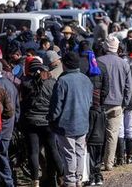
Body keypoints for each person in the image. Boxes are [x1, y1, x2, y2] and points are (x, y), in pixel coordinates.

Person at [48, 52, 93, 187]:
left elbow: (56, 107)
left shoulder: (62, 81)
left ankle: (70, 181)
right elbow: (89, 101)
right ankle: (79, 179)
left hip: (65, 124)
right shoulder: (86, 79)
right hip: (83, 122)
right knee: (79, 151)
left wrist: (51, 119)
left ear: (65, 64)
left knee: (68, 153)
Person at [19, 60, 64, 187]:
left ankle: (35, 181)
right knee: (53, 150)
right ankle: (62, 177)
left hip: (31, 122)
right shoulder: (52, 83)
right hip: (48, 122)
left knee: (33, 152)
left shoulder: (25, 84)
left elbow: (22, 103)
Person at [97, 36, 132, 171]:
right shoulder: (124, 63)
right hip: (117, 103)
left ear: (105, 47)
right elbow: (129, 86)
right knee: (112, 135)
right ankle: (108, 163)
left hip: (100, 103)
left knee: (98, 134)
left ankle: (96, 161)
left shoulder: (98, 61)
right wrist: (125, 103)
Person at [77, 40, 109, 185]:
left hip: (84, 109)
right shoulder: (101, 66)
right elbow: (106, 89)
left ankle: (88, 174)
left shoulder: (78, 65)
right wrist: (100, 103)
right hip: (99, 108)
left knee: (86, 142)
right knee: (98, 141)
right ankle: (97, 173)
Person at [0, 59, 18, 187]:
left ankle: (6, 182)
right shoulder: (10, 84)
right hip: (7, 126)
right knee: (2, 154)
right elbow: (15, 109)